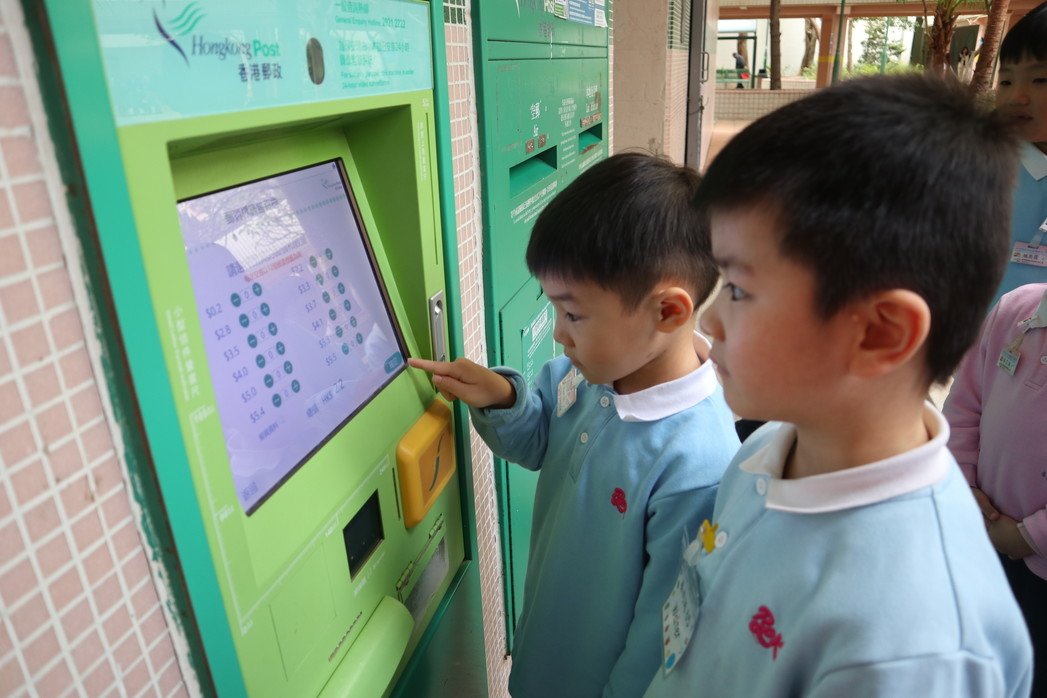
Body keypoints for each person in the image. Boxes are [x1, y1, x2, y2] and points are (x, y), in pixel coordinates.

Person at [644, 74, 1032, 697]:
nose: (709, 322)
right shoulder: (766, 449)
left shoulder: (913, 647)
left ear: (880, 333)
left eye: (738, 289)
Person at [409, 153, 739, 697]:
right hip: (544, 660)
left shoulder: (697, 466)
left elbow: (663, 640)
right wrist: (502, 396)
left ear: (668, 312)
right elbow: (541, 438)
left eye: (574, 314)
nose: (559, 333)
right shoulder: (588, 375)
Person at [944, 282, 1047, 694]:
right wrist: (962, 485)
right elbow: (965, 405)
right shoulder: (1015, 309)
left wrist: (1032, 534)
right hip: (981, 537)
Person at [992, 1, 1047, 306]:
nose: (1017, 96)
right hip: (977, 328)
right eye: (1006, 81)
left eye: (1040, 79)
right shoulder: (981, 164)